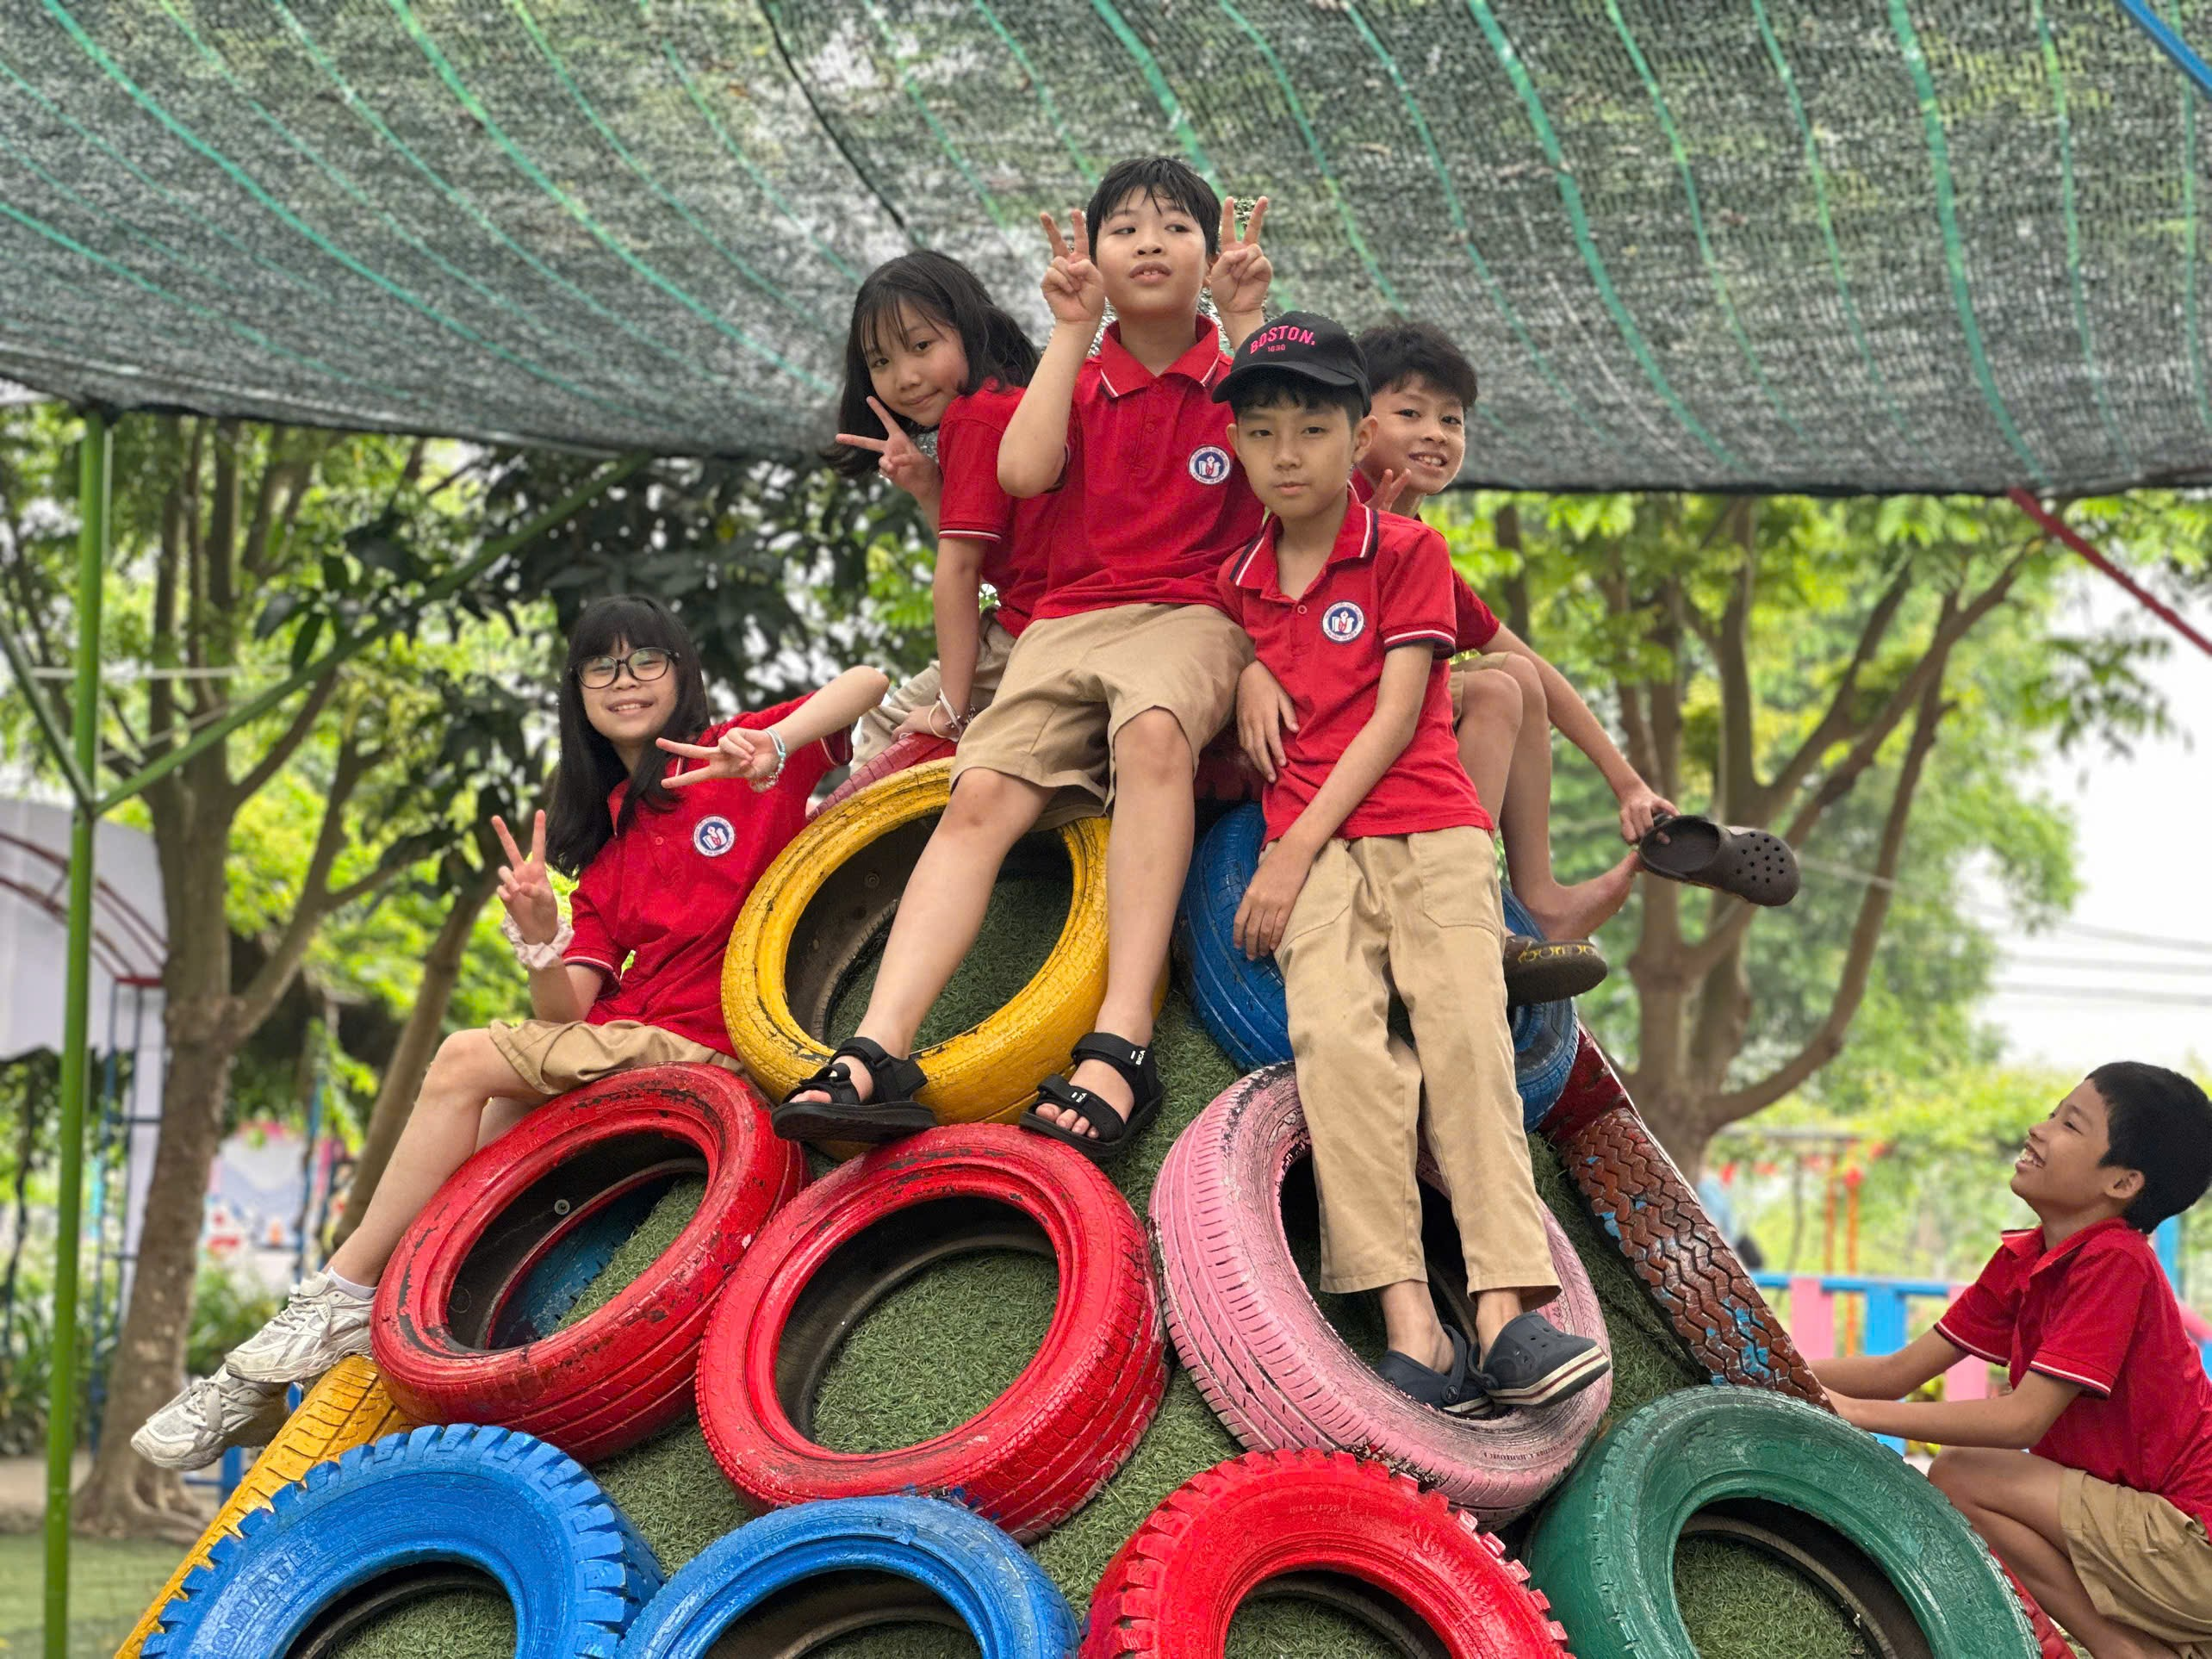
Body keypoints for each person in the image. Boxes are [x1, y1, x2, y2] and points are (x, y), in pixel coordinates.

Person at [133, 596, 889, 1469]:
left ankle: (335, 1296)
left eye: (647, 659)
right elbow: (561, 1017)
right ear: (578, 694)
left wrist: (775, 747)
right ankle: (295, 1368)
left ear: (683, 673)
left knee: (463, 1060)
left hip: (710, 1052)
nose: (626, 680)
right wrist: (541, 934)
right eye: (601, 667)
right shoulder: (605, 846)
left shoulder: (741, 756)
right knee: (479, 1154)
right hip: (627, 1048)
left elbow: (868, 681)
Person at [774, 156, 1275, 1161]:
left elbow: (1288, 479)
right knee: (981, 792)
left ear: (1211, 251)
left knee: (1152, 733)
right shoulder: (1073, 374)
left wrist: (1250, 324)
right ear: (1089, 254)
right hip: (1067, 625)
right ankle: (878, 1047)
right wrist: (1068, 330)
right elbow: (1023, 469)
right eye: (1122, 227)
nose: (1145, 242)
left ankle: (1121, 1042)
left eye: (1173, 226)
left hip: (1192, 616)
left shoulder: (1240, 377)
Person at [1215, 310, 1610, 1414]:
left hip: (1428, 829)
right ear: (1238, 451)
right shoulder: (1236, 581)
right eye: (1261, 435)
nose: (1285, 455)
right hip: (1320, 853)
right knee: (1336, 1043)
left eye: (1310, 429)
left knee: (1464, 1030)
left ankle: (1504, 1311)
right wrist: (1247, 663)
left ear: (1356, 441)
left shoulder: (1408, 551)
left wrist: (1286, 854)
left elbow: (1395, 719)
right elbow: (1231, 655)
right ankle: (1410, 1326)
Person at [1239, 320, 1672, 956]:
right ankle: (1462, 907)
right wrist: (1251, 668)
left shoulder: (1411, 545)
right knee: (1496, 691)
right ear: (1358, 424)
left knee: (1511, 677)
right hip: (1298, 757)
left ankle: (1534, 898)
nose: (1436, 434)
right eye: (1411, 412)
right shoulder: (1305, 499)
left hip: (1377, 743)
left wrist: (1627, 782)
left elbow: (1529, 661)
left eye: (1453, 420)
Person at [1817, 1063, 2212, 1659]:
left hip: (2194, 1542)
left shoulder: (2115, 1261)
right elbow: (1895, 1372)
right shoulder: (2028, 1259)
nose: (2037, 1130)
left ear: (2124, 1183)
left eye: (2069, 1125)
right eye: (2053, 1113)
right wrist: (1752, 1354)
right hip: (2152, 1533)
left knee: (1970, 1473)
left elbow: (2021, 1422)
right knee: (1970, 1477)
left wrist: (1857, 1414)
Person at [824, 252, 1053, 763]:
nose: (903, 377)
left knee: (886, 731)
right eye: (880, 362)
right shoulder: (1007, 402)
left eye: (921, 346)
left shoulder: (976, 418)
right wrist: (929, 487)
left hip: (1036, 633)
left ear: (971, 329)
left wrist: (950, 709)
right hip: (1034, 623)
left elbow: (961, 570)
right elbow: (991, 554)